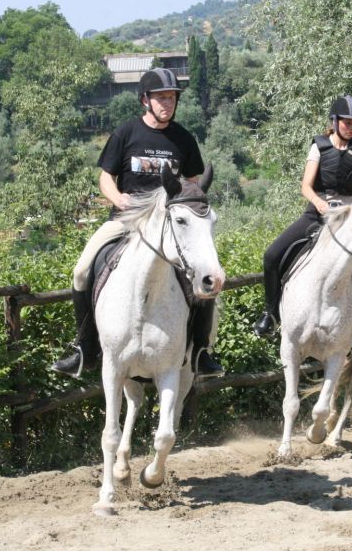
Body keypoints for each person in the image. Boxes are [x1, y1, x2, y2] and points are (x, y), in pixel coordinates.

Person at [51, 67, 224, 378]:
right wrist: (118, 199)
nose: (167, 103)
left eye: (171, 98)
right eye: (161, 98)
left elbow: (193, 184)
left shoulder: (183, 139)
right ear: (145, 100)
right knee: (80, 271)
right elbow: (106, 178)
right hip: (126, 220)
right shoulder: (126, 133)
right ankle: (84, 348)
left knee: (203, 276)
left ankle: (201, 351)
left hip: (166, 228)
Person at [252, 95, 352, 347]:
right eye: (347, 123)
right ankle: (270, 314)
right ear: (334, 121)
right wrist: (320, 204)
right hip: (317, 213)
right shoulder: (319, 147)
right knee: (272, 254)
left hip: (348, 218)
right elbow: (305, 186)